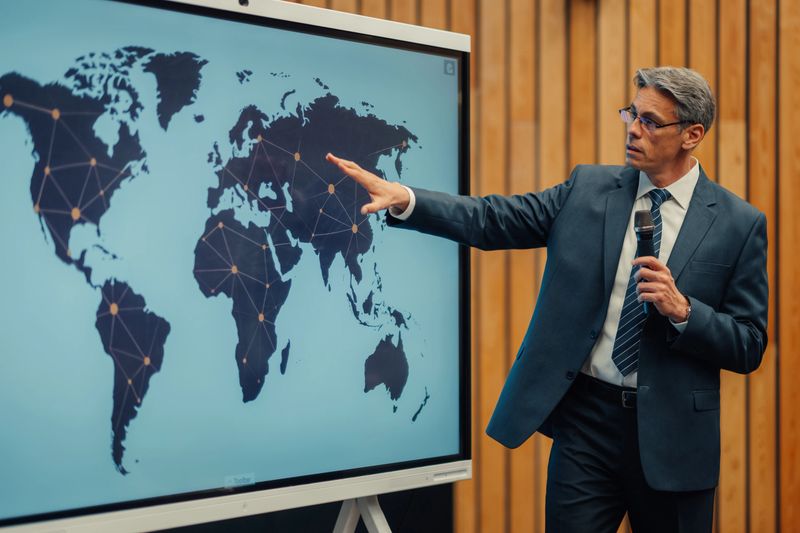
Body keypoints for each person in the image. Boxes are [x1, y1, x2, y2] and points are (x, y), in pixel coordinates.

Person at [326, 66, 768, 533]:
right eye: (631, 114)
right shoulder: (587, 190)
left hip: (676, 439)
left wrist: (684, 312)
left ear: (692, 135)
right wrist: (406, 199)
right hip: (587, 426)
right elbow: (492, 219)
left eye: (651, 121)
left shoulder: (738, 224)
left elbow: (749, 343)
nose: (634, 129)